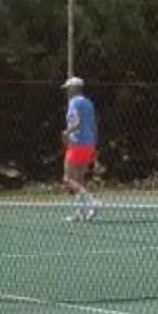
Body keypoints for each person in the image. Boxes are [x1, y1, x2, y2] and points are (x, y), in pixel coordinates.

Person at [61, 74, 100, 220]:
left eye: (68, 89)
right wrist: (94, 144)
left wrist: (66, 132)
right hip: (89, 144)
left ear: (73, 89)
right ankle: (81, 210)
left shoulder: (73, 103)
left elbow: (75, 123)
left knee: (68, 178)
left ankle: (92, 201)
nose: (67, 92)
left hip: (77, 143)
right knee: (79, 178)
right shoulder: (88, 103)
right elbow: (94, 125)